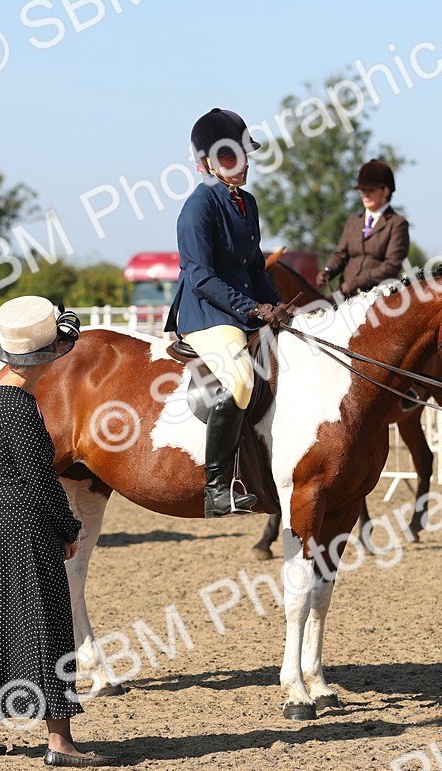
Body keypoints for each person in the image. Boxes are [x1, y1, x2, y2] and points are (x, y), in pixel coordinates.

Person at [0, 295, 119, 768]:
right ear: (42, 356)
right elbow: (41, 481)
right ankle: (60, 743)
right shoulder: (20, 409)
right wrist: (69, 528)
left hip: (2, 525)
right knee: (50, 627)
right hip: (28, 529)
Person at [163, 107, 289, 518]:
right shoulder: (198, 207)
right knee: (240, 380)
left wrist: (275, 306)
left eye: (245, 154)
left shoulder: (246, 203)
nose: (244, 163)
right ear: (207, 165)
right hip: (206, 314)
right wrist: (250, 307)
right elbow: (199, 275)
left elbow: (254, 266)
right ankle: (217, 487)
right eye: (232, 157)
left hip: (241, 309)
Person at [317, 159, 410, 297]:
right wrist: (328, 270)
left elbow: (391, 266)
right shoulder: (353, 221)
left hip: (377, 296)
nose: (365, 195)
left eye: (371, 190)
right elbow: (340, 255)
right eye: (362, 190)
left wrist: (356, 283)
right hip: (343, 292)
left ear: (386, 190)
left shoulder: (396, 224)